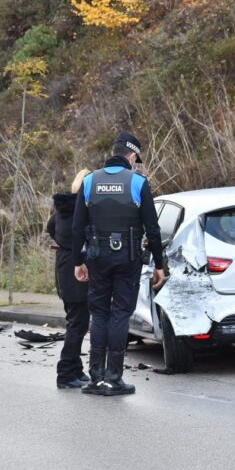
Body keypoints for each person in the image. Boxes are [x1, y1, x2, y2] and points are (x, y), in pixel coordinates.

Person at [72, 132, 166, 396]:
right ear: (133, 156)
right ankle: (114, 377)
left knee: (99, 314)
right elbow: (153, 228)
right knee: (120, 314)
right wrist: (159, 264)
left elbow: (77, 226)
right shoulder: (138, 182)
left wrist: (78, 261)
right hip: (128, 259)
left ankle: (95, 378)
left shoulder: (89, 181)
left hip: (96, 258)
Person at [46, 168, 92, 389]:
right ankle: (65, 373)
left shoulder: (63, 208)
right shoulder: (81, 211)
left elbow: (50, 227)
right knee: (77, 323)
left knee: (76, 320)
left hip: (63, 267)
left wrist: (63, 244)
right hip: (76, 270)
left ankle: (76, 368)